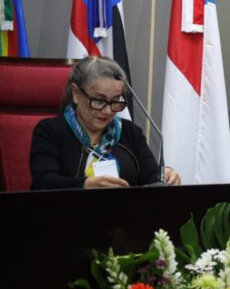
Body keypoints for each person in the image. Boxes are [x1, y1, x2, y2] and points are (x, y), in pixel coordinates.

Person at [29, 56, 181, 189]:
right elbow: (44, 181)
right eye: (99, 100)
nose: (108, 111)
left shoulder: (130, 132)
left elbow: (151, 179)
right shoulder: (50, 131)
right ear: (76, 93)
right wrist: (84, 186)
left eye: (116, 101)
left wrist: (165, 177)